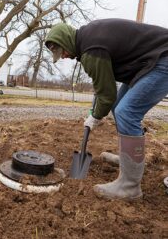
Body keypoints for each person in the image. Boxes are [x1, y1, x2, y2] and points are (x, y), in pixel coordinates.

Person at [45, 18, 168, 200]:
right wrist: (99, 99)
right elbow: (103, 87)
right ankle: (128, 161)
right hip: (148, 63)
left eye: (61, 52)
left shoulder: (91, 50)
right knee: (119, 106)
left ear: (65, 41)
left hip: (162, 60)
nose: (63, 57)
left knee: (126, 113)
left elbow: (107, 95)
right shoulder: (89, 38)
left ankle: (129, 186)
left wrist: (95, 117)